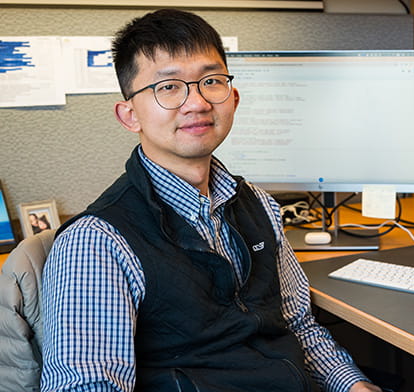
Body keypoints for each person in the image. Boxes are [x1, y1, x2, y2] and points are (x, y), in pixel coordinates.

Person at [41, 9, 381, 392]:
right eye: (168, 87)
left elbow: (297, 323)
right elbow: (87, 385)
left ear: (233, 97)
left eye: (211, 81)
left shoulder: (259, 205)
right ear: (129, 115)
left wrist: (352, 384)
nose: (197, 102)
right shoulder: (98, 243)